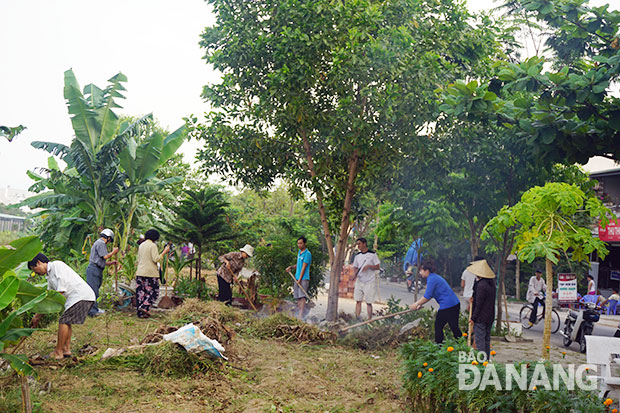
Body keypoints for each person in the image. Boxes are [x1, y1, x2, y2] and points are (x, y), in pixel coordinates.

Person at [28, 253, 96, 360]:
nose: (35, 272)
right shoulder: (50, 277)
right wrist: (37, 316)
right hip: (77, 297)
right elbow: (50, 299)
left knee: (63, 321)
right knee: (66, 321)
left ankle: (58, 352)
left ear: (39, 262)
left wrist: (41, 314)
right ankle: (66, 350)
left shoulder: (56, 266)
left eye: (34, 268)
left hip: (81, 295)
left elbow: (59, 291)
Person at [410, 259, 462, 343]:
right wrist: (419, 304)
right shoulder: (434, 277)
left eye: (421, 271)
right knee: (454, 327)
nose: (420, 273)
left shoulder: (432, 279)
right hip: (454, 304)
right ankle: (462, 344)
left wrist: (416, 304)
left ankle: (438, 347)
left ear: (426, 270)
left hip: (447, 306)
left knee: (438, 326)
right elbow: (430, 295)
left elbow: (427, 296)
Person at [135, 229, 170, 318]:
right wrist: (164, 252)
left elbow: (138, 259)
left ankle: (140, 312)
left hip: (140, 272)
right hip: (150, 273)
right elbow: (156, 259)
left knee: (141, 292)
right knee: (153, 292)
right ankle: (144, 307)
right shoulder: (152, 245)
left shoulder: (141, 245)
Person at [468, 259, 496, 360]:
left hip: (481, 318)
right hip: (490, 316)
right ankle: (486, 361)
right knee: (486, 341)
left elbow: (479, 304)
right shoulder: (491, 284)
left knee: (480, 342)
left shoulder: (481, 285)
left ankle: (481, 363)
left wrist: (473, 318)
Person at [86, 228, 119, 316]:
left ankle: (95, 308)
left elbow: (100, 260)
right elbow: (105, 256)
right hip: (94, 269)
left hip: (96, 269)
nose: (109, 242)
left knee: (95, 289)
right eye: (109, 240)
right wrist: (113, 252)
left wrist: (111, 263)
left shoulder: (98, 243)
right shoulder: (101, 243)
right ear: (108, 238)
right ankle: (92, 311)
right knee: (93, 290)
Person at [351, 238, 381, 320]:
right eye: (357, 244)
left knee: (368, 302)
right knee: (358, 301)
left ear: (364, 244)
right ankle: (357, 317)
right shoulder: (357, 256)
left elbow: (378, 267)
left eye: (359, 244)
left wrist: (369, 266)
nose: (358, 246)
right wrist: (354, 275)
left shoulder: (372, 254)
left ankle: (369, 319)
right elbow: (355, 267)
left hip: (370, 282)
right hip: (360, 281)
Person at [286, 237, 312, 319]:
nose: (299, 245)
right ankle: (298, 313)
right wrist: (291, 267)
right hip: (297, 278)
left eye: (301, 243)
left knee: (302, 297)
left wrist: (300, 279)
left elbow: (304, 268)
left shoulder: (307, 254)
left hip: (303, 278)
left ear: (305, 244)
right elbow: (299, 265)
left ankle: (301, 315)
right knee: (297, 297)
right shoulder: (300, 252)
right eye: (298, 243)